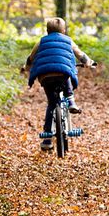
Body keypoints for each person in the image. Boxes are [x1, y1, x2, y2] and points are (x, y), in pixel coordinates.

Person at [23, 17, 97, 151]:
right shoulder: (68, 40)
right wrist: (88, 62)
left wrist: (26, 68)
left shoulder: (41, 41)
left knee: (52, 103)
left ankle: (47, 140)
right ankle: (71, 101)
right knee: (66, 72)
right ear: (63, 30)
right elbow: (80, 54)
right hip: (62, 75)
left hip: (45, 75)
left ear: (47, 30)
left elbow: (30, 58)